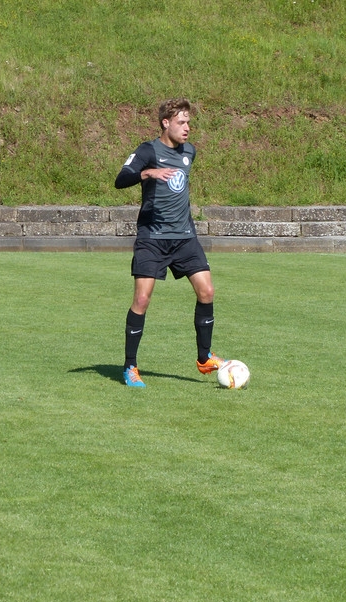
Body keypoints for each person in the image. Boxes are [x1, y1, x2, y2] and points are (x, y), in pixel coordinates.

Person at [115, 98, 224, 388]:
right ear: (166, 123)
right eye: (181, 122)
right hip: (152, 238)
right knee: (141, 300)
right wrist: (148, 173)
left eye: (189, 122)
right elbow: (121, 179)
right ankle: (130, 367)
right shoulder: (148, 150)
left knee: (207, 291)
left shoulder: (190, 151)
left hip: (185, 237)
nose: (187, 128)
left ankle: (204, 358)